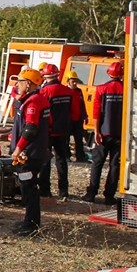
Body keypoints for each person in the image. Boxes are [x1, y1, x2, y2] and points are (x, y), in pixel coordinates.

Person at [9, 67, 50, 236]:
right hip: (33, 152)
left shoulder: (34, 102)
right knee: (28, 187)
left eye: (20, 81)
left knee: (29, 187)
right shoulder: (34, 99)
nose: (17, 84)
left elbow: (31, 129)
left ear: (28, 83)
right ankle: (29, 221)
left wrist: (18, 148)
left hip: (30, 154)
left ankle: (31, 225)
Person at [84, 60, 125, 206]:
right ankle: (109, 196)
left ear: (109, 72)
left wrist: (96, 131)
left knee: (97, 163)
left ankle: (91, 194)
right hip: (121, 135)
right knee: (115, 165)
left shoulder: (101, 89)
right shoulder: (126, 89)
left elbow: (96, 112)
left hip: (103, 133)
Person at [39, 63, 75, 201]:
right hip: (63, 131)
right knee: (62, 161)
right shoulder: (67, 91)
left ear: (45, 76)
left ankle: (45, 190)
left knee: (45, 160)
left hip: (48, 131)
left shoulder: (44, 92)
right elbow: (73, 112)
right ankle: (63, 191)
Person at [65, 70, 91, 163]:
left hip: (78, 119)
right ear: (68, 81)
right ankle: (66, 156)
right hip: (68, 120)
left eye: (76, 81)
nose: (75, 83)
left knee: (79, 139)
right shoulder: (64, 91)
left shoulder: (79, 91)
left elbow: (82, 104)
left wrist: (85, 116)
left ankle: (80, 157)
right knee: (66, 139)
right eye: (73, 81)